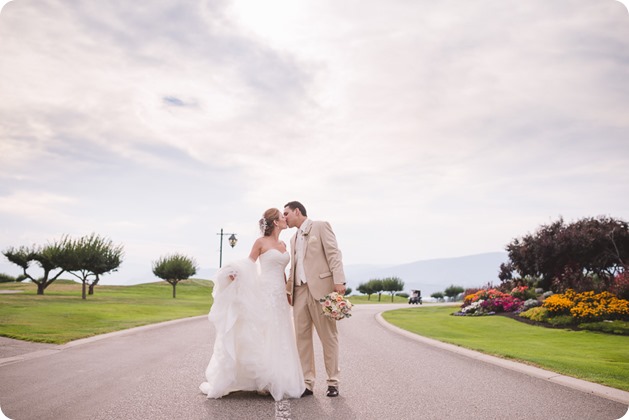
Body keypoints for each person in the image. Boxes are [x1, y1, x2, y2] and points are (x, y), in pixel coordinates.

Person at [200, 208, 305, 402]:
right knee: (264, 331)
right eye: (282, 216)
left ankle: (278, 376)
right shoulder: (261, 242)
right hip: (264, 291)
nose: (285, 218)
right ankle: (262, 379)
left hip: (280, 295)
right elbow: (249, 263)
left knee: (281, 332)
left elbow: (281, 271)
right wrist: (235, 273)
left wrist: (287, 291)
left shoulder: (283, 244)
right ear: (275, 222)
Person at [283, 201, 346, 398]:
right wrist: (289, 290)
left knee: (328, 337)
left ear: (297, 211)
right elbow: (295, 267)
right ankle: (307, 383)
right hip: (299, 292)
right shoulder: (293, 238)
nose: (284, 217)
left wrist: (339, 281)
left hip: (322, 290)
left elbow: (334, 254)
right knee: (302, 339)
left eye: (286, 213)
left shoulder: (320, 226)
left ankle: (333, 382)